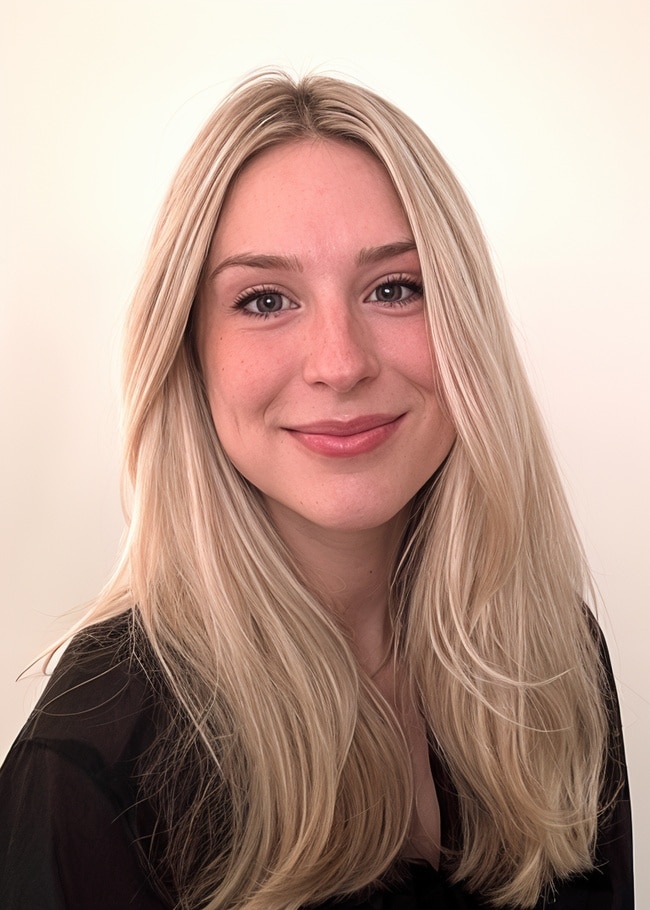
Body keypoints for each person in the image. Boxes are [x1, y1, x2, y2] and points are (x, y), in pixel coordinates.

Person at [0, 71, 633, 909]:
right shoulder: (96, 757)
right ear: (189, 353)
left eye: (395, 288)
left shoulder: (553, 659)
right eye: (265, 299)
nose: (341, 362)